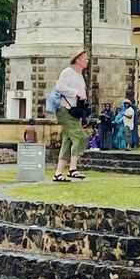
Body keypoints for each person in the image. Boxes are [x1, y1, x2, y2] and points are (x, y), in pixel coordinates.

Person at [52, 51, 88, 182]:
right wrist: (76, 93)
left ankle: (58, 172)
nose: (87, 60)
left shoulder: (80, 75)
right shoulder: (68, 72)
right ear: (77, 60)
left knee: (68, 140)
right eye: (85, 58)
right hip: (64, 110)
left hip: (74, 111)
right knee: (81, 137)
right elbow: (59, 87)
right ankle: (73, 168)